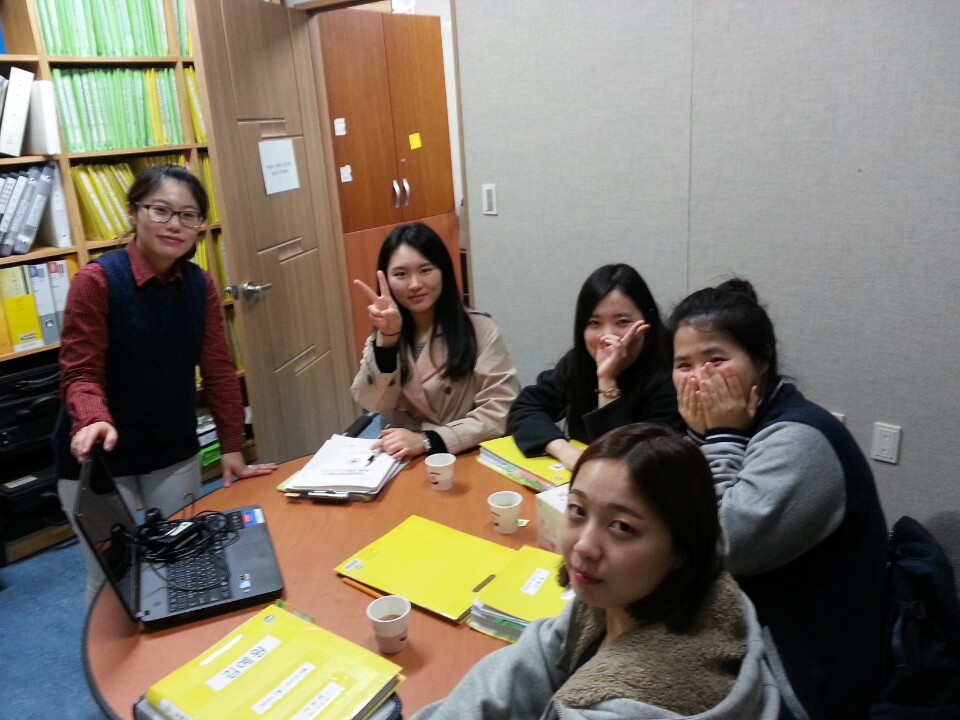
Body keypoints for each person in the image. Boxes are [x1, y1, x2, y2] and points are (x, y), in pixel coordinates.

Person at [412, 424, 781, 719]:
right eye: (577, 510)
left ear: (682, 549)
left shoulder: (634, 700)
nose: (584, 546)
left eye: (622, 527)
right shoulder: (624, 599)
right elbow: (532, 660)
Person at [53, 163, 276, 604]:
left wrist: (233, 445)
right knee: (112, 578)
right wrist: (93, 419)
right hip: (98, 452)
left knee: (183, 560)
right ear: (133, 212)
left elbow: (218, 369)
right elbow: (79, 370)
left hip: (170, 446)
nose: (175, 225)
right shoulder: (96, 281)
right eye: (161, 210)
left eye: (188, 215)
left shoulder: (199, 285)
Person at [668, 278, 887, 720]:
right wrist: (702, 436)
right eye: (683, 365)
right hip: (740, 627)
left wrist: (719, 435)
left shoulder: (802, 440)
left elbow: (723, 544)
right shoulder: (740, 426)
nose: (698, 378)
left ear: (763, 360)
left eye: (715, 360)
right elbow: (676, 513)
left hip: (802, 675)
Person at [351, 223, 519, 457]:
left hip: (463, 451)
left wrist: (428, 440)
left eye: (425, 270)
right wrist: (387, 338)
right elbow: (373, 403)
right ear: (386, 280)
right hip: (402, 455)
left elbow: (500, 409)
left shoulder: (479, 329)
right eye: (401, 274)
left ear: (443, 272)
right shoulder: (385, 333)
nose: (414, 284)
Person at [507, 263, 679, 469]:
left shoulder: (672, 375)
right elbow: (525, 406)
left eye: (622, 322)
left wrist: (607, 379)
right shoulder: (579, 362)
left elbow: (621, 464)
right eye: (594, 323)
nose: (607, 336)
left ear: (647, 321)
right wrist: (565, 451)